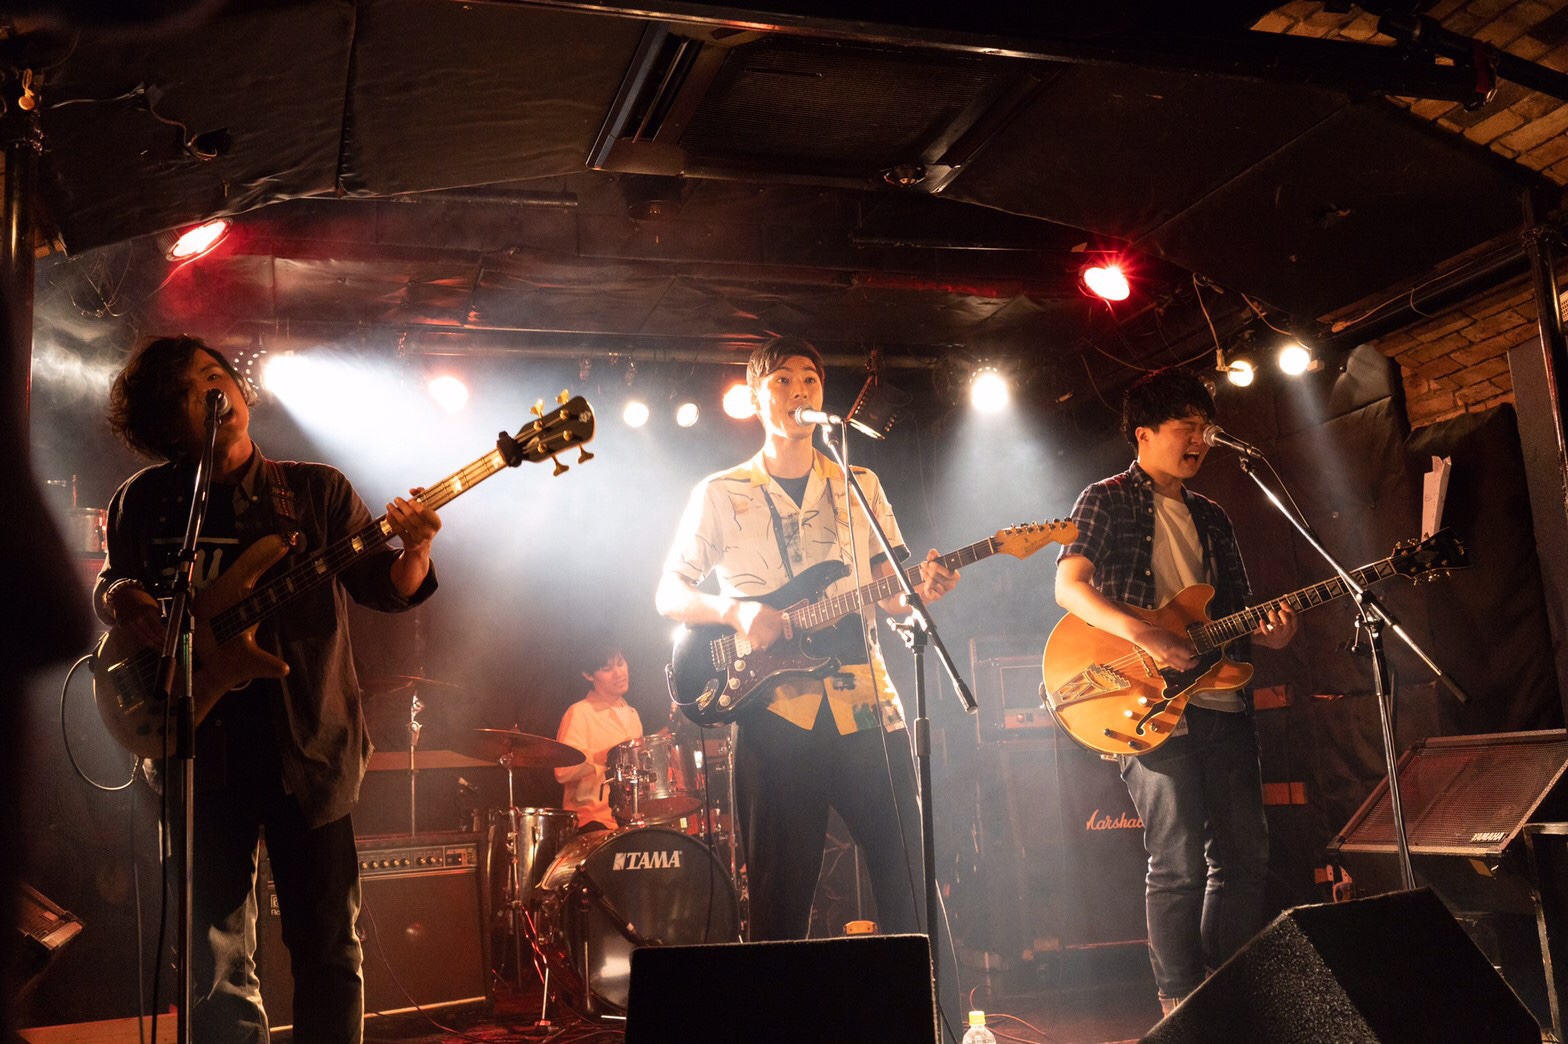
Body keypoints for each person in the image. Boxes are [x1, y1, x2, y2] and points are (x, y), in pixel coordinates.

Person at [94, 335, 441, 1043]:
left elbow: (383, 587)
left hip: (306, 749)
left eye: (216, 374)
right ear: (165, 420)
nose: (213, 389)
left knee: (328, 948)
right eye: (190, 388)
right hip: (195, 752)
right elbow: (112, 582)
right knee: (213, 962)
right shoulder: (145, 501)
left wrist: (418, 548)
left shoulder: (314, 491)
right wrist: (122, 595)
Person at [655, 337, 959, 947]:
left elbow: (891, 592)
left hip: (866, 704)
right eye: (784, 379)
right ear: (755, 398)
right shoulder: (721, 491)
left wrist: (923, 589)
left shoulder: (859, 483)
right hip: (773, 713)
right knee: (780, 898)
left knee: (908, 881)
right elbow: (669, 593)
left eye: (811, 380)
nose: (800, 390)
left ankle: (926, 1002)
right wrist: (736, 610)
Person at [1053, 366, 1298, 1019]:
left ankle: (1227, 994)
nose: (1200, 438)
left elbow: (1240, 611)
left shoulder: (1213, 516)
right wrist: (1146, 634)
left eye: (1206, 426)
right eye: (1186, 425)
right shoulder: (1105, 499)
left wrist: (1275, 632)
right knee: (1179, 861)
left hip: (1221, 699)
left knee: (1245, 857)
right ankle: (1178, 1006)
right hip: (1144, 699)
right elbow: (1068, 586)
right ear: (1143, 433)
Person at [554, 644, 643, 831]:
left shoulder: (633, 714)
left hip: (631, 819)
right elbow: (562, 771)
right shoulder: (579, 713)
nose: (618, 673)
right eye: (607, 669)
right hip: (592, 821)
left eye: (621, 663)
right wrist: (604, 756)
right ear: (588, 675)